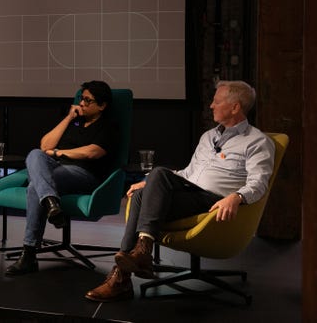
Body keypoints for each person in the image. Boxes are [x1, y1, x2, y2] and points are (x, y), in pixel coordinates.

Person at [85, 80, 275, 302]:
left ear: (235, 107)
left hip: (214, 203)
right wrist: (149, 183)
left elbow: (260, 182)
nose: (211, 106)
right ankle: (137, 258)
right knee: (143, 190)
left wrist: (237, 196)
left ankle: (123, 275)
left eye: (216, 101)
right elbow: (187, 173)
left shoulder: (256, 141)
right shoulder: (208, 137)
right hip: (190, 193)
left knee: (153, 181)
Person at [6, 80, 118, 276]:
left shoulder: (108, 125)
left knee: (34, 187)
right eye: (81, 98)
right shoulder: (74, 121)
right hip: (57, 171)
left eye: (87, 100)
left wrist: (58, 153)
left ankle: (29, 254)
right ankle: (51, 203)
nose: (81, 103)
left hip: (85, 174)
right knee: (34, 154)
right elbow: (44, 146)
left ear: (102, 105)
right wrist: (68, 118)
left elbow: (92, 152)